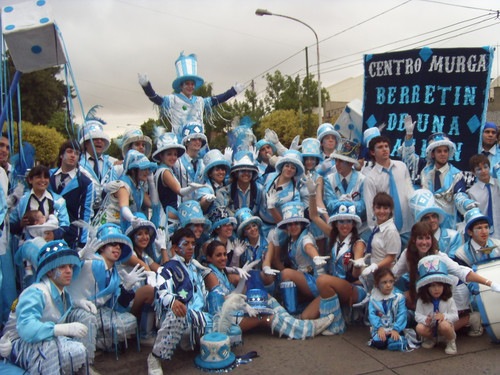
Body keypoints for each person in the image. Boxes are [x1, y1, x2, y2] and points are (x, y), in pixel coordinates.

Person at [205, 240, 334, 340]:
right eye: (218, 255)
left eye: (224, 254)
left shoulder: (221, 272)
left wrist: (243, 286)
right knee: (266, 316)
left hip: (233, 311)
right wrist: (244, 305)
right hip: (225, 321)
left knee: (265, 297)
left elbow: (232, 296)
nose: (223, 258)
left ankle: (292, 321)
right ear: (209, 258)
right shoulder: (211, 275)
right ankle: (305, 330)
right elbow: (222, 306)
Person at [393, 221, 497, 336]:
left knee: (441, 330)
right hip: (430, 293)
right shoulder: (407, 255)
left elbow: (461, 271)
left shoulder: (439, 256)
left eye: (427, 238)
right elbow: (393, 275)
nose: (424, 242)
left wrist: (490, 283)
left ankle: (471, 318)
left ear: (432, 240)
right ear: (413, 240)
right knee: (407, 301)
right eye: (420, 238)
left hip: (452, 292)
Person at [2, 240, 91, 374]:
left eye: (70, 266)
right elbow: (26, 328)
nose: (68, 271)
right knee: (49, 347)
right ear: (49, 272)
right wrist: (61, 329)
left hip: (44, 340)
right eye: (62, 267)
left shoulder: (62, 292)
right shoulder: (36, 292)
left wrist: (79, 302)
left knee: (77, 349)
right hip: (16, 344)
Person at [147, 228, 218, 375]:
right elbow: (161, 290)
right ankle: (155, 357)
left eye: (193, 243)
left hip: (199, 315)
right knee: (178, 314)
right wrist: (172, 301)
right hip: (177, 315)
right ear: (174, 248)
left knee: (224, 319)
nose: (191, 247)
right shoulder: (167, 269)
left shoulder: (195, 266)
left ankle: (189, 342)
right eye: (186, 244)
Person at [68, 224, 145, 358]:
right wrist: (79, 256)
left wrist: (126, 287)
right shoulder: (88, 262)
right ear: (102, 247)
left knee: (130, 321)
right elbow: (65, 271)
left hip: (98, 313)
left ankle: (96, 344)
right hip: (74, 309)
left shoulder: (115, 275)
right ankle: (85, 361)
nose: (117, 248)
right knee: (88, 318)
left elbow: (116, 307)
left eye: (120, 246)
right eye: (113, 244)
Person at [138, 52, 244, 140]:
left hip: (198, 141)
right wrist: (146, 86)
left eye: (192, 84)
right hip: (179, 142)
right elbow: (155, 98)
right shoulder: (173, 99)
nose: (190, 86)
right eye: (187, 84)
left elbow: (218, 99)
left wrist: (233, 91)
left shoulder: (200, 101)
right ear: (181, 86)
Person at [304, 198, 367, 335]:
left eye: (349, 221)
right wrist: (312, 193)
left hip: (354, 288)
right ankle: (333, 317)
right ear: (336, 223)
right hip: (332, 287)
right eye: (341, 221)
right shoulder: (333, 236)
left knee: (322, 280)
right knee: (306, 317)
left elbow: (356, 274)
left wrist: (357, 265)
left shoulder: (358, 243)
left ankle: (336, 325)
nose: (345, 225)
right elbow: (314, 216)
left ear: (354, 224)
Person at [270, 202, 329, 315]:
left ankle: (291, 313)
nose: (293, 227)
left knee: (286, 273)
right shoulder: (291, 240)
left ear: (301, 224)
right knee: (282, 278)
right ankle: (291, 309)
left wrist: (315, 257)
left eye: (296, 223)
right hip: (304, 279)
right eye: (290, 224)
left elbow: (308, 247)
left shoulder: (305, 237)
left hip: (315, 280)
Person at [420, 132, 475, 229]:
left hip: (449, 224)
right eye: (439, 151)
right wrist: (409, 135)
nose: (443, 154)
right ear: (433, 154)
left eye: (445, 151)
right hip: (429, 223)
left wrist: (466, 203)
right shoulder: (425, 172)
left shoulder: (456, 174)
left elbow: (459, 194)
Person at [49, 140, 94, 248]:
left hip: (70, 236)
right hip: (48, 231)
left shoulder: (85, 183)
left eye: (77, 153)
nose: (73, 155)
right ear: (61, 155)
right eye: (69, 151)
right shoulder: (48, 176)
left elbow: (85, 213)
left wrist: (81, 243)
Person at [101, 150, 159, 231]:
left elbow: (154, 204)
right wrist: (132, 219)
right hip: (111, 227)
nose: (147, 172)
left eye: (148, 169)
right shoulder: (122, 185)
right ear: (133, 170)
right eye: (143, 169)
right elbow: (124, 207)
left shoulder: (138, 188)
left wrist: (151, 183)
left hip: (123, 226)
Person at [10, 165, 69, 239]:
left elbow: (65, 225)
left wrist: (54, 235)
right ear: (30, 180)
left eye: (46, 177)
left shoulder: (59, 201)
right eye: (39, 177)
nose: (43, 180)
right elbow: (10, 225)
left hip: (52, 245)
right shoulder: (21, 201)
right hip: (28, 245)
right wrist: (20, 225)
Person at [415, 255, 459, 355]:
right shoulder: (422, 300)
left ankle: (450, 341)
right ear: (426, 287)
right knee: (419, 328)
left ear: (444, 286)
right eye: (433, 286)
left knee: (444, 325)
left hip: (444, 328)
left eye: (439, 285)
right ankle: (431, 339)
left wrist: (444, 316)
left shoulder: (449, 299)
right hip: (430, 327)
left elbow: (455, 316)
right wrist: (425, 319)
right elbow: (417, 315)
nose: (436, 289)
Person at [152, 131, 203, 213]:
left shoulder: (163, 170)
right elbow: (180, 192)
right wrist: (192, 188)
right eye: (169, 154)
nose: (173, 157)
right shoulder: (165, 172)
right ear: (161, 155)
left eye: (175, 154)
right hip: (167, 218)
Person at [360, 192, 401, 291]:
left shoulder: (390, 230)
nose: (382, 211)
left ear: (391, 210)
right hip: (375, 272)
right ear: (373, 209)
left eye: (386, 208)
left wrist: (375, 266)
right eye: (378, 208)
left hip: (386, 276)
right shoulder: (377, 226)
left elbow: (391, 257)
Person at [78, 116, 118, 214]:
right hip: (84, 213)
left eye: (101, 139)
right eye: (95, 139)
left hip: (108, 215)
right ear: (86, 143)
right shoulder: (78, 163)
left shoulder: (112, 163)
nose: (99, 141)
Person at [323, 138, 366, 228]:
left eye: (341, 161)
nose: (337, 164)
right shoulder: (329, 179)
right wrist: (349, 203)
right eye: (336, 160)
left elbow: (364, 204)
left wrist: (347, 203)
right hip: (336, 226)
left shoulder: (362, 179)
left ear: (350, 163)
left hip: (357, 227)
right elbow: (329, 203)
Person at [260, 149, 303, 237]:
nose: (289, 169)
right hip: (259, 225)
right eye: (287, 166)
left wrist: (272, 208)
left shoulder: (294, 194)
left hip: (278, 231)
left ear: (295, 172)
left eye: (293, 168)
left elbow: (288, 224)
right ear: (282, 167)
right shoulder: (269, 176)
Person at [408, 189, 462, 259]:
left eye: (434, 216)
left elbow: (454, 263)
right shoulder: (416, 241)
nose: (432, 220)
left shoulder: (453, 237)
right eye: (427, 218)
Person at [367, 268, 407, 351]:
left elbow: (402, 314)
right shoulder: (373, 298)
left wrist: (396, 329)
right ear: (377, 284)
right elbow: (372, 314)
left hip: (395, 326)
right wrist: (379, 328)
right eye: (384, 282)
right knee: (380, 343)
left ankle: (398, 338)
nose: (388, 285)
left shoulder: (399, 297)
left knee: (395, 342)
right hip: (380, 328)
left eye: (391, 281)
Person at [215, 150, 262, 216]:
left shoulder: (260, 190)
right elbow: (222, 214)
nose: (246, 173)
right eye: (242, 170)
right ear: (236, 173)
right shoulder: (224, 192)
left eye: (249, 171)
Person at [467, 154, 499, 239]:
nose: (484, 171)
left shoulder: (498, 184)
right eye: (479, 169)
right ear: (473, 172)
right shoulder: (472, 192)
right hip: (486, 235)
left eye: (485, 167)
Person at [198, 148, 230, 213]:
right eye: (217, 170)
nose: (221, 172)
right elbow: (202, 206)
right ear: (210, 173)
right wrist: (207, 200)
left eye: (223, 169)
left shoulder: (226, 185)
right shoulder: (206, 187)